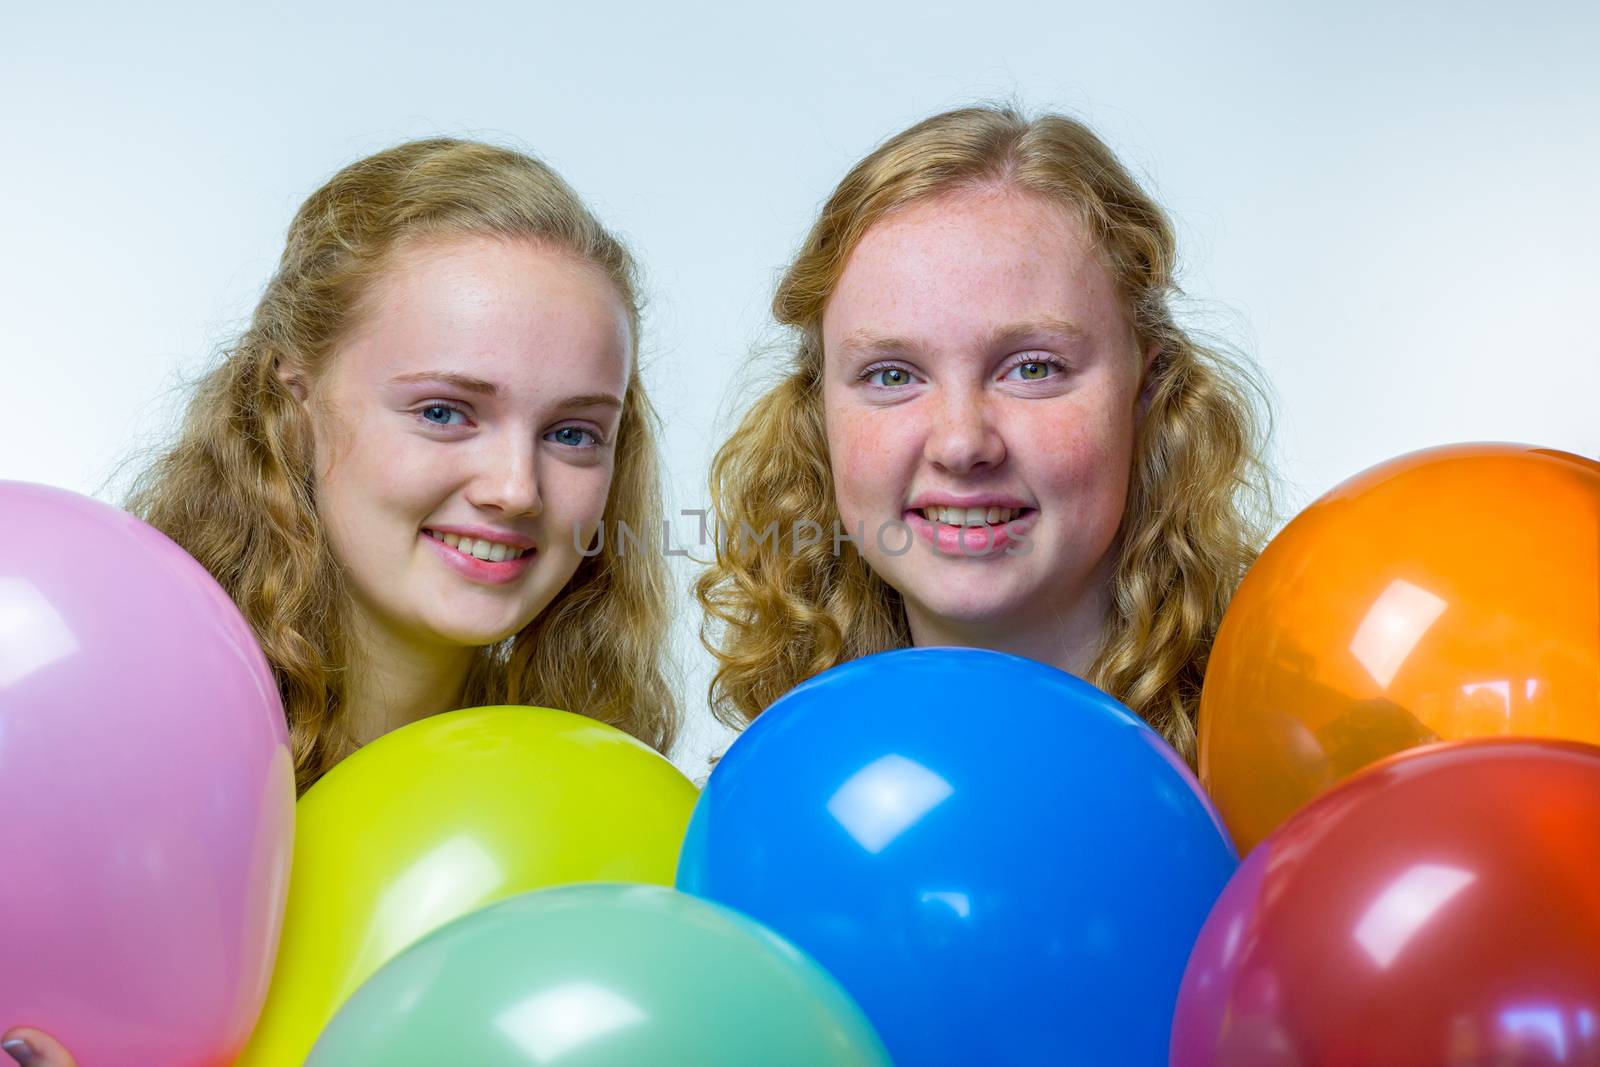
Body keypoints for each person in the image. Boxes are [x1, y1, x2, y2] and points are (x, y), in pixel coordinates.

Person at [3, 137, 679, 1067]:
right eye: (446, 411)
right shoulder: (81, 733)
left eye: (572, 433)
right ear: (294, 397)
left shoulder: (598, 820)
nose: (515, 488)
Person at [696, 102, 1275, 763]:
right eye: (892, 375)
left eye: (1031, 368)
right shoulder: (781, 780)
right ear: (818, 408)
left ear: (1148, 385)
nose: (962, 444)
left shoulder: (1282, 754)